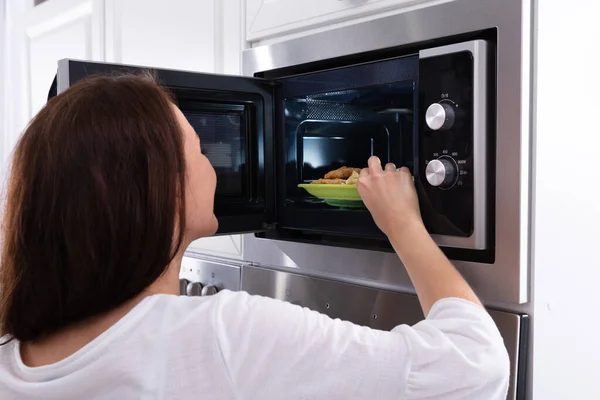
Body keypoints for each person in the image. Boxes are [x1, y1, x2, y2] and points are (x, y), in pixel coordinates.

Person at [0, 72, 509, 399]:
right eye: (200, 150)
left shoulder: (12, 355)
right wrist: (403, 225)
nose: (215, 166)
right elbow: (474, 365)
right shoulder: (220, 333)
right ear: (163, 192)